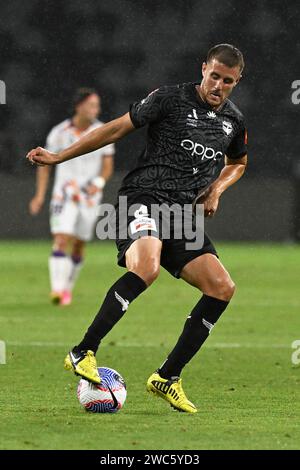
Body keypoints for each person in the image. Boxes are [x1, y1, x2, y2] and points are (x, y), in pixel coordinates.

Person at [27, 44, 248, 413]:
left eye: (228, 81)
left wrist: (216, 190)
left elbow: (238, 162)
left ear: (236, 81)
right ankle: (83, 351)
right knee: (145, 267)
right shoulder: (169, 98)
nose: (219, 85)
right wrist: (59, 156)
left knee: (222, 288)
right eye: (214, 76)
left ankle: (167, 377)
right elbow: (115, 129)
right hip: (142, 198)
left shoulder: (233, 122)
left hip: (181, 216)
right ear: (204, 69)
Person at [29, 88, 114, 305]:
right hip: (63, 196)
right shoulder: (59, 133)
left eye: (97, 105)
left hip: (89, 197)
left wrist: (99, 182)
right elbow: (44, 166)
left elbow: (107, 166)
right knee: (61, 239)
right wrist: (40, 195)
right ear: (79, 106)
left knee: (78, 245)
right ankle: (57, 291)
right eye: (93, 105)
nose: (97, 109)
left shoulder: (103, 131)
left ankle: (67, 288)